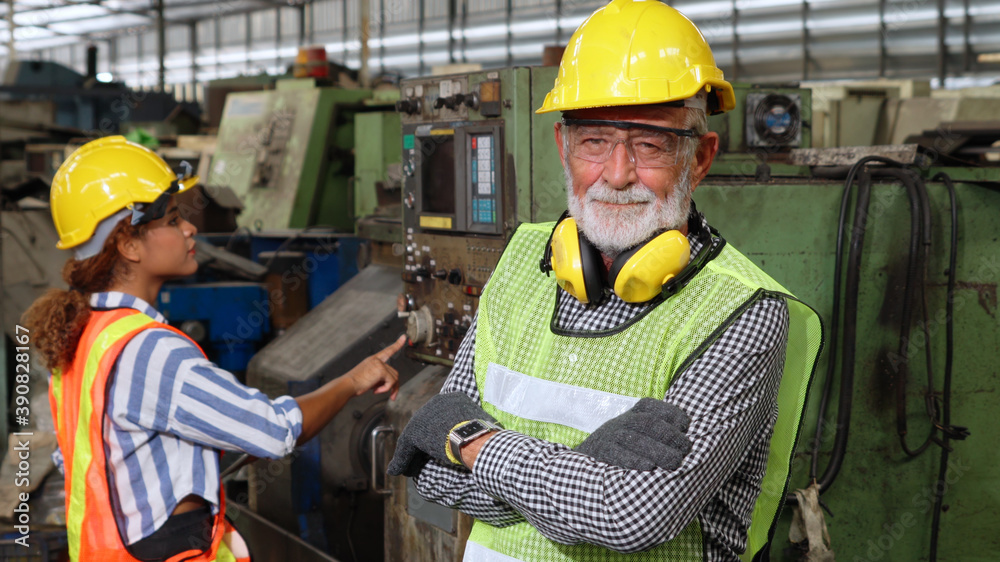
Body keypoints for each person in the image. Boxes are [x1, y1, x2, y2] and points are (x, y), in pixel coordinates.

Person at [386, 1, 824, 560]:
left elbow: (633, 516)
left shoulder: (742, 311)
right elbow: (433, 475)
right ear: (563, 149)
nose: (617, 175)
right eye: (594, 142)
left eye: (650, 145)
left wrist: (473, 442)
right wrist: (586, 475)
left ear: (700, 158)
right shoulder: (522, 261)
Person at [22, 135, 406, 562]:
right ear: (128, 244)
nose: (189, 228)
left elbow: (99, 461)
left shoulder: (86, 335)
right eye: (170, 220)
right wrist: (351, 381)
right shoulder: (149, 349)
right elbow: (275, 430)